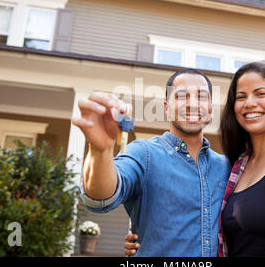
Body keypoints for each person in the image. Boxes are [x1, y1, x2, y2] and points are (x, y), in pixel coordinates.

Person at [125, 62, 265, 257]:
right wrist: (146, 234)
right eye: (241, 97)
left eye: (260, 93)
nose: (250, 103)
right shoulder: (237, 166)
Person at [72, 68, 231, 257]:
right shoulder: (144, 154)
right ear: (166, 108)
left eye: (202, 97)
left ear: (211, 109)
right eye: (181, 96)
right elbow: (100, 196)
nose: (192, 104)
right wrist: (100, 150)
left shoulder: (227, 167)